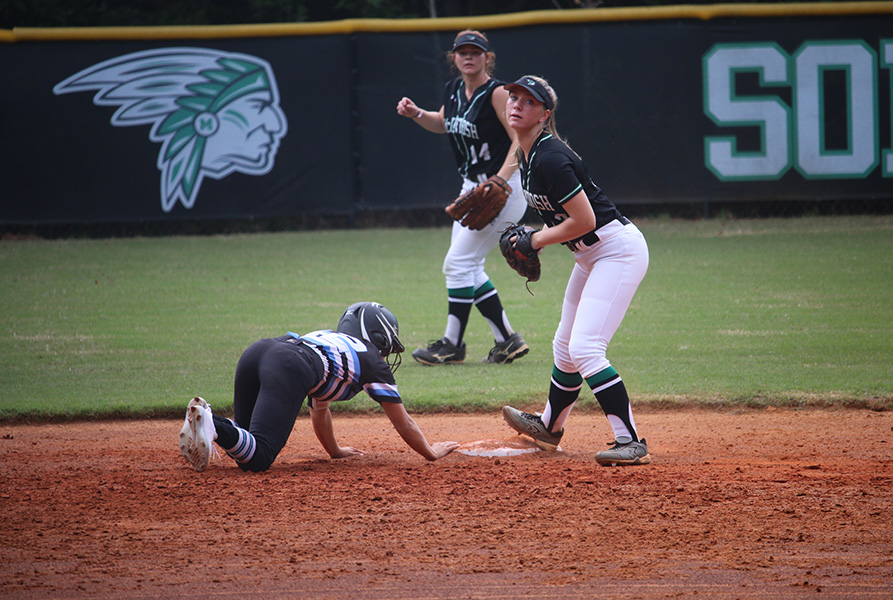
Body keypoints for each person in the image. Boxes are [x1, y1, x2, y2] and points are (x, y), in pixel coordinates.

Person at [498, 76, 652, 466]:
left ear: (545, 115)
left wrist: (534, 241)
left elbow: (583, 220)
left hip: (616, 251)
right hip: (590, 256)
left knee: (585, 348)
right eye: (514, 97)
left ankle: (630, 440)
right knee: (565, 347)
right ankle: (549, 428)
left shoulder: (551, 157)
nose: (517, 104)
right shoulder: (525, 152)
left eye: (529, 101)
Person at [178, 302, 460, 472]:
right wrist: (430, 452)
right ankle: (211, 421)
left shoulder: (333, 343)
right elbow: (404, 421)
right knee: (260, 458)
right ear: (378, 336)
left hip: (261, 350)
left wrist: (335, 451)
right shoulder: (370, 359)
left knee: (245, 448)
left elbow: (319, 411)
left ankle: (210, 423)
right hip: (290, 363)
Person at [396, 29, 529, 366]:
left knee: (458, 263)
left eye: (475, 51)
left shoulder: (498, 93)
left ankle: (452, 345)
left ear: (487, 57)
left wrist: (501, 178)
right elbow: (445, 122)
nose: (468, 57)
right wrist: (417, 115)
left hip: (503, 189)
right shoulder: (454, 90)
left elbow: (520, 138)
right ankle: (507, 340)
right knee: (467, 265)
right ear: (453, 58)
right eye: (462, 52)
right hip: (472, 187)